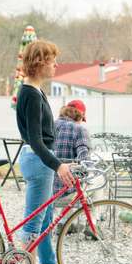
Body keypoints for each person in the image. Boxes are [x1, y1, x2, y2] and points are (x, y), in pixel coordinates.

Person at [15, 40, 75, 264]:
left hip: (38, 160)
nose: (56, 65)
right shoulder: (30, 92)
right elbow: (36, 140)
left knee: (41, 216)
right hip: (38, 161)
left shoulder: (33, 90)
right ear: (40, 63)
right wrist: (58, 164)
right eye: (52, 61)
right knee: (34, 221)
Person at [52, 100, 90, 234]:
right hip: (66, 191)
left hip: (46, 190)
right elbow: (84, 160)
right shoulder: (79, 129)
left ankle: (64, 222)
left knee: (75, 180)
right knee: (96, 183)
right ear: (79, 116)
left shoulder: (51, 125)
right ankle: (92, 224)